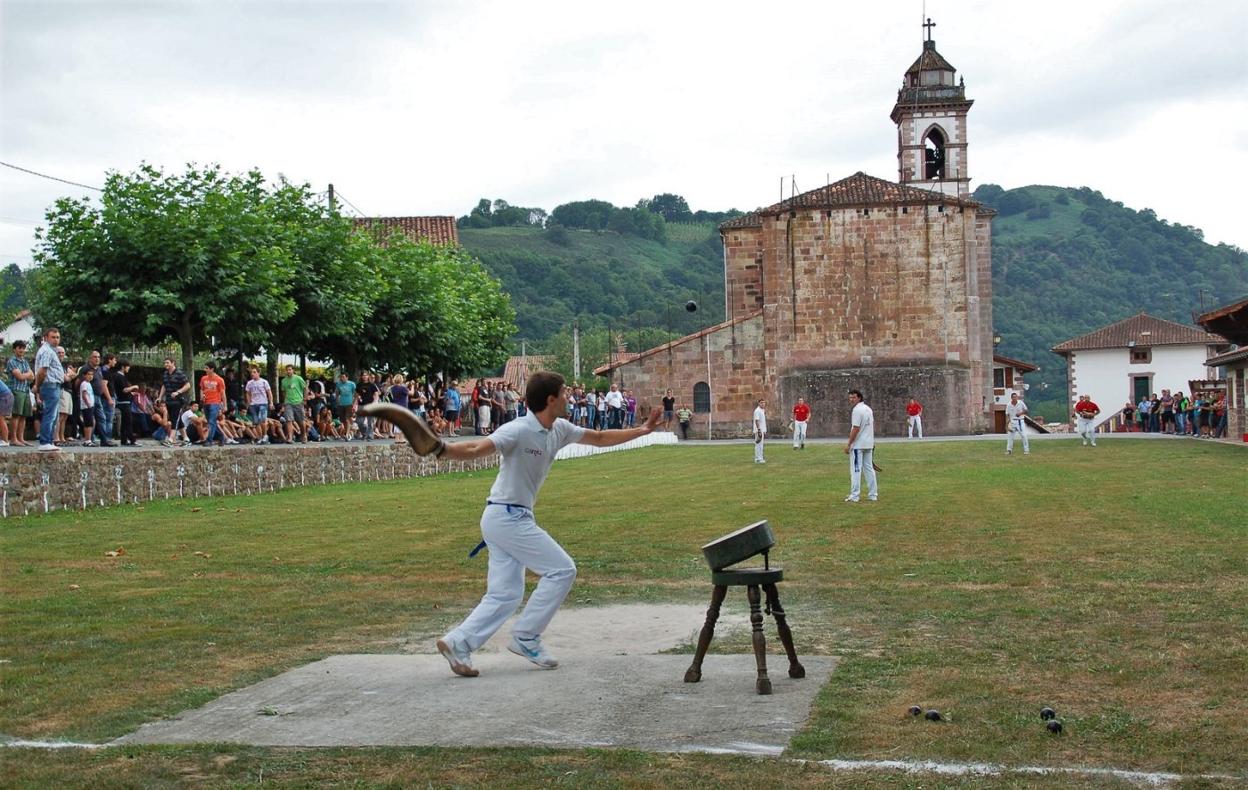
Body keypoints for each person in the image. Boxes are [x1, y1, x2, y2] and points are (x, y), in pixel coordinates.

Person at [433, 372, 663, 677]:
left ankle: (458, 642)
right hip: (505, 516)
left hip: (507, 518)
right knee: (562, 569)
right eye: (564, 394)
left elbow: (599, 438)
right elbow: (477, 449)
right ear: (551, 400)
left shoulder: (560, 428)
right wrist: (442, 450)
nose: (568, 398)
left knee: (505, 594)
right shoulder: (518, 429)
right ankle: (526, 636)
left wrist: (643, 431)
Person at [33, 327, 65, 452]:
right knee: (50, 414)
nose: (56, 340)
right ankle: (45, 441)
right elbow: (42, 371)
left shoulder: (51, 351)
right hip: (50, 385)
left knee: (53, 414)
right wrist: (38, 386)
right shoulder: (47, 351)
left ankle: (49, 441)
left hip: (53, 384)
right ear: (46, 338)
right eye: (53, 337)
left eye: (57, 337)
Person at [844, 389, 877, 502]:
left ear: (859, 398)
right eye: (850, 397)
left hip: (859, 445)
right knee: (869, 469)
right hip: (868, 443)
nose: (851, 400)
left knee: (856, 470)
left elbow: (856, 428)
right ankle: (873, 494)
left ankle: (855, 495)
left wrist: (849, 444)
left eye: (853, 397)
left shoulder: (857, 410)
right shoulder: (868, 409)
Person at [6, 340, 35, 446]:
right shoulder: (12, 361)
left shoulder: (25, 361)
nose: (22, 350)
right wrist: (27, 374)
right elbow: (20, 377)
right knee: (16, 415)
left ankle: (21, 438)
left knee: (24, 415)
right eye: (20, 348)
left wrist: (26, 375)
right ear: (14, 349)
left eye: (23, 348)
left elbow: (32, 377)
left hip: (25, 390)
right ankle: (13, 439)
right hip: (16, 390)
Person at [110, 359, 141, 445]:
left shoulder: (118, 376)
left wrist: (131, 393)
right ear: (123, 367)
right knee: (128, 422)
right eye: (127, 367)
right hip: (124, 402)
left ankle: (124, 440)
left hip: (122, 401)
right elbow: (124, 390)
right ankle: (132, 440)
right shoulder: (120, 377)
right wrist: (134, 387)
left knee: (124, 423)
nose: (129, 368)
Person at [200, 361, 228, 446]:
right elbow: (201, 388)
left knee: (211, 422)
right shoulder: (203, 378)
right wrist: (201, 396)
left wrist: (225, 405)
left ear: (212, 369)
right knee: (211, 422)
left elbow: (223, 393)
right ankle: (222, 436)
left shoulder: (219, 380)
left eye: (207, 368)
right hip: (206, 402)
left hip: (215, 403)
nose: (205, 370)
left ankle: (209, 440)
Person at [280, 364, 307, 443]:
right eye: (287, 370)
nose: (288, 371)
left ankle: (304, 435)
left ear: (293, 370)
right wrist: (285, 400)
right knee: (289, 420)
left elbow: (305, 388)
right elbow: (283, 391)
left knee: (301, 421)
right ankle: (290, 437)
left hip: (298, 402)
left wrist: (304, 399)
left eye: (290, 369)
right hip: (288, 402)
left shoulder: (298, 378)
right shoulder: (284, 381)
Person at [752, 398, 767, 464]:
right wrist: (759, 430)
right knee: (758, 444)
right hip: (759, 430)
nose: (763, 404)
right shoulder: (757, 411)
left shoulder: (762, 410)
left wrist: (764, 430)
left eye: (764, 402)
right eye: (761, 402)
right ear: (759, 403)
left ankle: (760, 457)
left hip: (762, 429)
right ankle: (758, 458)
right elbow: (756, 421)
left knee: (761, 445)